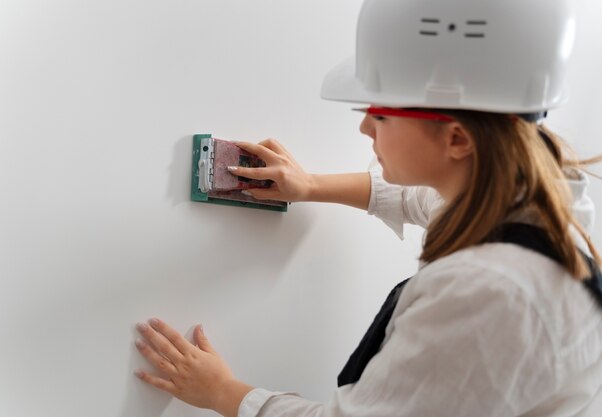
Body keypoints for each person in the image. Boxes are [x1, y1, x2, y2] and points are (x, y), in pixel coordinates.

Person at [133, 0, 602, 416]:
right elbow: (425, 199)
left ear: (457, 137)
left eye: (379, 114)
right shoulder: (540, 196)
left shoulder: (489, 296)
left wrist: (223, 393)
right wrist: (309, 185)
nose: (365, 129)